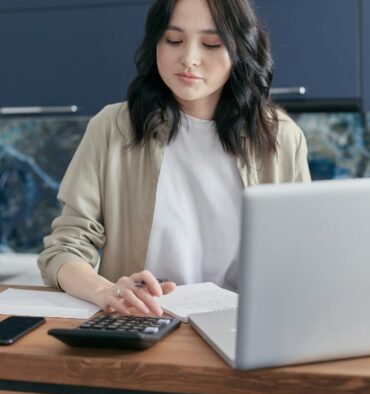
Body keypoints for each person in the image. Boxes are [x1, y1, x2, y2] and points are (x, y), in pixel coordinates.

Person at [38, 0, 311, 317]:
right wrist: (104, 290)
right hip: (140, 323)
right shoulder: (112, 128)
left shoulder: (281, 138)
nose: (189, 59)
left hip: (244, 326)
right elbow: (64, 247)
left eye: (212, 43)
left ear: (241, 49)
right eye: (173, 40)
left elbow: (300, 258)